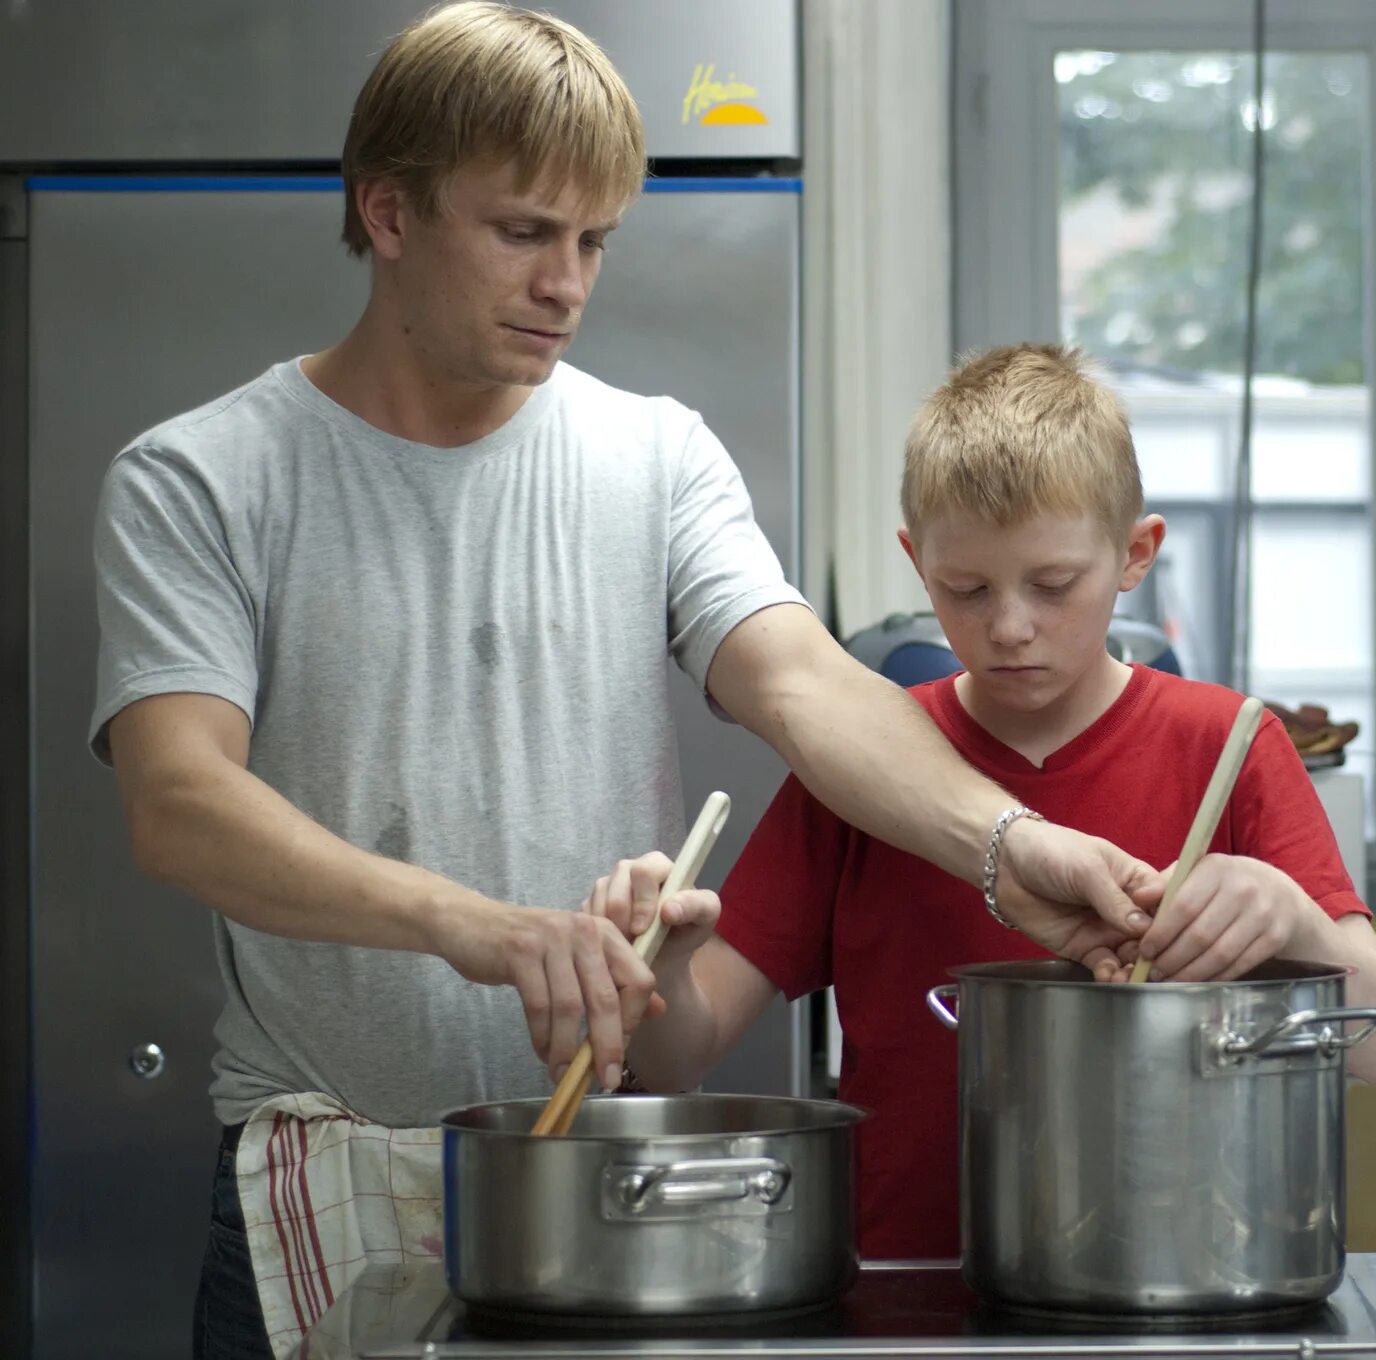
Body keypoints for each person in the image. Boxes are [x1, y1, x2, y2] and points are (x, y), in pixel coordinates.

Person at [89, 8, 1160, 1356]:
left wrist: (1013, 844)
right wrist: (480, 924)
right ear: (390, 212)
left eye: (595, 240)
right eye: (525, 232)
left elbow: (806, 688)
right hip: (322, 1170)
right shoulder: (201, 479)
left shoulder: (654, 457)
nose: (567, 282)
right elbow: (178, 802)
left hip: (600, 1184)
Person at [600, 344, 1376, 1261]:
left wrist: (1296, 921)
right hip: (906, 1288)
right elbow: (680, 1057)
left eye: (1052, 585)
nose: (1009, 627)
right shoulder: (864, 762)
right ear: (918, 564)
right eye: (967, 589)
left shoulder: (1228, 746)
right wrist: (661, 974)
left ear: (1135, 554)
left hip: (1178, 1281)